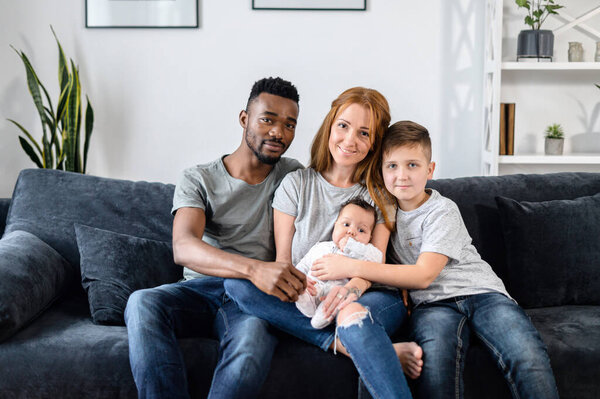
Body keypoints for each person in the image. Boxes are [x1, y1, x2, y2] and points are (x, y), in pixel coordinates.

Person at [311, 120, 560, 398]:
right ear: (381, 172)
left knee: (526, 356)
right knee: (437, 369)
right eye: (392, 166)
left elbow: (423, 275)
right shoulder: (383, 216)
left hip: (483, 294)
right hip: (431, 306)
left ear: (430, 170)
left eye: (412, 165)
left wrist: (351, 266)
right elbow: (358, 241)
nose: (402, 175)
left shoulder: (442, 210)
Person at [225, 87, 421, 399]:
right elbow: (283, 263)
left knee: (352, 313)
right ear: (330, 126)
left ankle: (354, 335)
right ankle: (347, 345)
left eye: (363, 133)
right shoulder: (296, 185)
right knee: (236, 287)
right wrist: (302, 287)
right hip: (310, 297)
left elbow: (374, 265)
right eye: (343, 126)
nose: (349, 140)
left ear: (374, 143)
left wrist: (348, 290)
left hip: (370, 294)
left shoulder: (380, 195)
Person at [124, 77, 305, 399]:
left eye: (289, 125)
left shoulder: (293, 175)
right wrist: (254, 268)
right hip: (198, 290)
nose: (279, 132)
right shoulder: (199, 178)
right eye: (268, 120)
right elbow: (184, 247)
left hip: (251, 299)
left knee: (251, 343)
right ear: (244, 119)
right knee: (142, 302)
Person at [295, 197, 383, 329]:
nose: (351, 231)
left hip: (338, 292)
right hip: (315, 286)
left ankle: (323, 316)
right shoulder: (320, 247)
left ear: (370, 237)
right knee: (305, 290)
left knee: (335, 301)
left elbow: (378, 260)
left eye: (361, 230)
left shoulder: (365, 252)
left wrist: (351, 246)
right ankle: (305, 300)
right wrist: (301, 279)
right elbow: (303, 265)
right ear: (335, 225)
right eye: (346, 224)